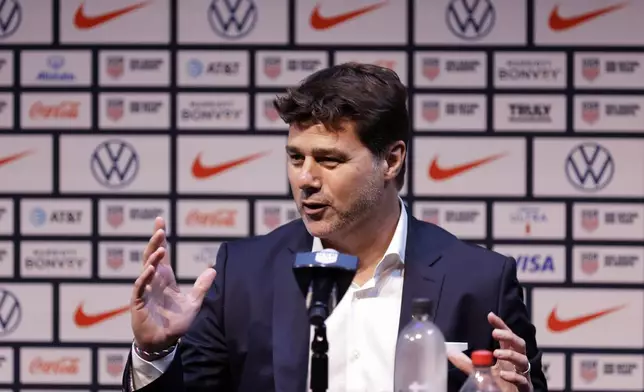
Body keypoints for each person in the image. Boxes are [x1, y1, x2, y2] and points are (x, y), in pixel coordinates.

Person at [122, 63, 547, 392]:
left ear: (392, 160)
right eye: (295, 158)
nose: (306, 178)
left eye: (329, 160)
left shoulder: (479, 280)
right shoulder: (243, 275)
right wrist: (154, 351)